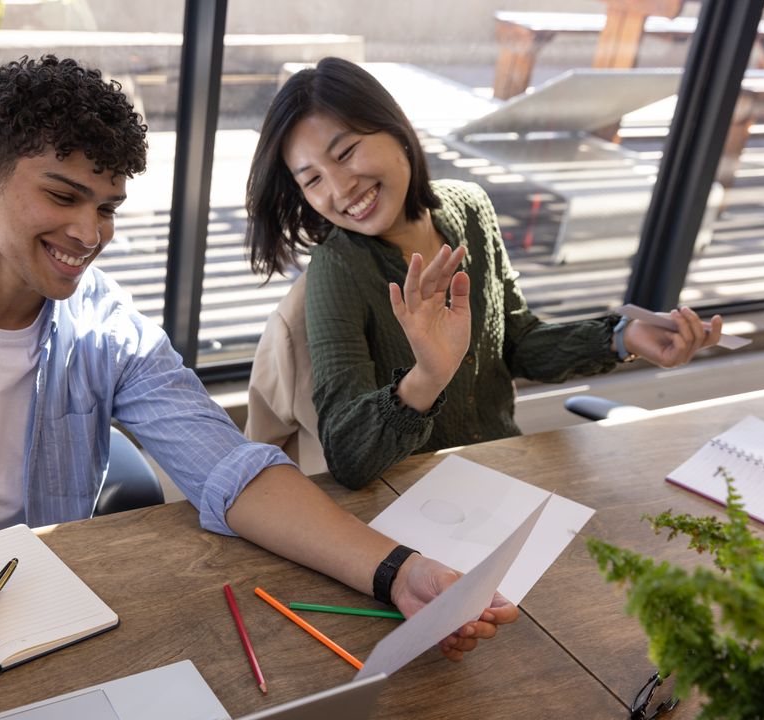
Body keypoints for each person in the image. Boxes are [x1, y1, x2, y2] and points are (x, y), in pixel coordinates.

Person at [0, 55, 516, 662]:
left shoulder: (108, 328)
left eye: (106, 208)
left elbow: (228, 471)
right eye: (63, 197)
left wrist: (397, 571)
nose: (89, 234)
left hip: (29, 622)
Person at [244, 57, 724, 489]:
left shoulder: (470, 208)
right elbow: (348, 455)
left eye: (346, 152)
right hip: (417, 503)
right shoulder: (339, 267)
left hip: (507, 472)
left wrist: (625, 339)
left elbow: (518, 343)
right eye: (312, 179)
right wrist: (427, 377)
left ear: (395, 129)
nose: (340, 187)